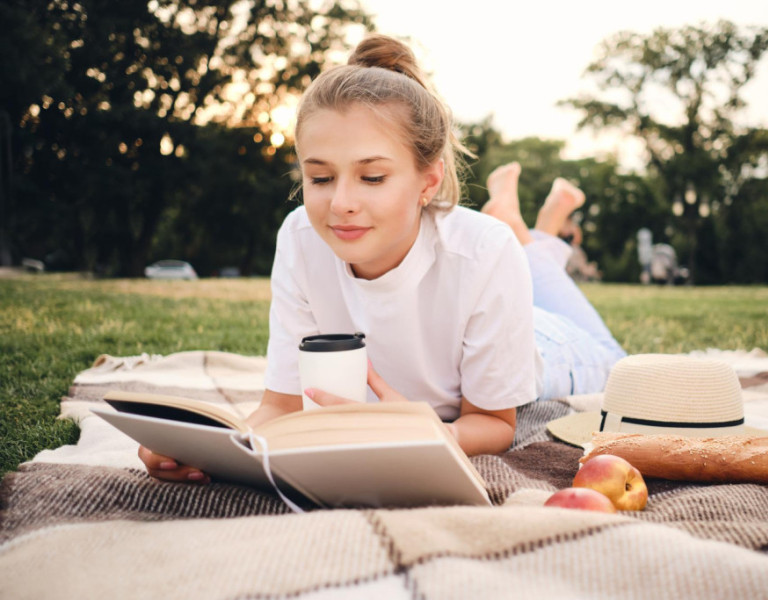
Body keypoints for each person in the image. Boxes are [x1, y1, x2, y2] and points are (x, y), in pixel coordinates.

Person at [139, 33, 625, 484]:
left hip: (551, 347)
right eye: (320, 178)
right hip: (492, 286)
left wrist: (422, 433)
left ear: (428, 181)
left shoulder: (484, 251)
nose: (340, 204)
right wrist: (212, 446)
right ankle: (533, 226)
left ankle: (535, 229)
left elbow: (493, 423)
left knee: (617, 361)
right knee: (502, 249)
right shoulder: (301, 238)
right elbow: (282, 408)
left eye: (372, 178)